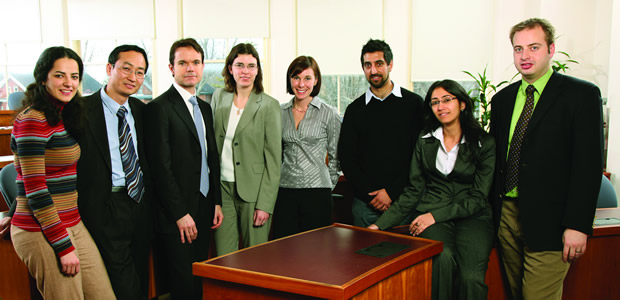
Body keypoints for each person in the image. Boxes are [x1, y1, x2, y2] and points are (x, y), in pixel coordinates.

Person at [490, 18, 603, 300]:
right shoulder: (502, 100)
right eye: (518, 49)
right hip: (506, 217)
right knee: (517, 294)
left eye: (534, 47)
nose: (525, 56)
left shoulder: (581, 96)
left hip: (552, 220)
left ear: (551, 49)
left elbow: (588, 166)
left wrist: (578, 225)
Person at [369, 80, 495, 300]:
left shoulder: (485, 143)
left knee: (471, 277)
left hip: (473, 218)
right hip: (432, 212)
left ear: (462, 104)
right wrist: (378, 226)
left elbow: (477, 198)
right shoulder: (425, 141)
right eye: (435, 102)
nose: (440, 107)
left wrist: (433, 216)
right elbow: (413, 190)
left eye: (447, 100)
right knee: (442, 260)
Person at [9, 46, 115, 299]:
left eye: (74, 76)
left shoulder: (62, 115)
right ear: (43, 77)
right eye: (60, 75)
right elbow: (36, 187)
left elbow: (34, 175)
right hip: (41, 230)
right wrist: (63, 246)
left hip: (72, 221)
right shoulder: (32, 120)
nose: (68, 83)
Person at [145, 38, 223, 300]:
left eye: (196, 62)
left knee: (199, 278)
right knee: (181, 284)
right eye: (183, 63)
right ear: (171, 67)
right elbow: (160, 167)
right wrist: (179, 213)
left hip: (203, 205)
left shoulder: (204, 107)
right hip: (176, 214)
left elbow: (212, 158)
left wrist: (217, 203)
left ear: (202, 67)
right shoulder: (159, 108)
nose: (190, 68)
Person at [76, 45, 152, 300]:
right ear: (110, 69)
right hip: (105, 206)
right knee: (122, 285)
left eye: (140, 72)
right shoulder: (81, 111)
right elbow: (51, 163)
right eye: (126, 69)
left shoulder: (142, 111)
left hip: (139, 203)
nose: (133, 77)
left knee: (141, 277)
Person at [338, 39, 424, 228]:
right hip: (365, 204)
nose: (373, 71)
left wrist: (391, 192)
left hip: (404, 203)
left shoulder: (414, 104)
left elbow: (418, 157)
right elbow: (347, 159)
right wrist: (372, 195)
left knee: (404, 256)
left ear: (390, 65)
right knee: (364, 256)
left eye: (379, 64)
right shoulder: (354, 110)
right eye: (368, 65)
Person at [212, 43, 281, 255]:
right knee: (224, 257)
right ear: (230, 68)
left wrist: (265, 205)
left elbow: (274, 160)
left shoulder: (269, 105)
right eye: (240, 65)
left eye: (251, 66)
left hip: (254, 193)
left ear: (257, 70)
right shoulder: (218, 97)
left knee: (255, 258)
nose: (245, 71)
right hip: (222, 191)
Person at [271, 56, 341, 239]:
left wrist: (327, 184)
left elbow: (336, 155)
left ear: (316, 80)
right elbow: (275, 154)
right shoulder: (279, 112)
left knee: (316, 252)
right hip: (285, 191)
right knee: (285, 252)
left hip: (317, 193)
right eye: (296, 77)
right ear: (290, 80)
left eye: (307, 78)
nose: (301, 84)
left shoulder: (329, 113)